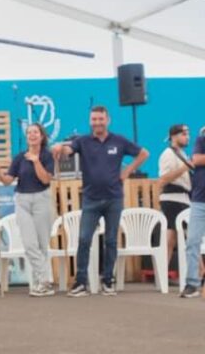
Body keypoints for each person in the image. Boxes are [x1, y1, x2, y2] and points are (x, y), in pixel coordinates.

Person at [52, 106, 149, 296]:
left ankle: (108, 281)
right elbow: (67, 149)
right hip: (90, 199)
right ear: (90, 121)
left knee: (111, 240)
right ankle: (81, 282)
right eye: (94, 119)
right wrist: (58, 147)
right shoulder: (83, 141)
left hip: (114, 198)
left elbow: (144, 153)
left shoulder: (119, 140)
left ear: (108, 120)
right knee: (84, 239)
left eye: (100, 119)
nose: (97, 122)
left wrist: (128, 171)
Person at [0, 123, 56, 296]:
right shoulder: (20, 157)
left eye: (35, 132)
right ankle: (45, 279)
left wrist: (36, 162)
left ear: (42, 136)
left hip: (41, 199)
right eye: (29, 133)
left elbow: (45, 179)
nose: (32, 135)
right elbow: (8, 180)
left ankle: (40, 283)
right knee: (29, 243)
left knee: (42, 243)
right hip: (22, 199)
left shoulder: (47, 156)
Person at [157, 124, 192, 279]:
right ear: (174, 136)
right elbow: (164, 179)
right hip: (173, 199)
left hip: (183, 198)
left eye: (188, 134)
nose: (187, 137)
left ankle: (162, 273)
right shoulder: (168, 154)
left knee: (171, 239)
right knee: (190, 236)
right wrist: (185, 167)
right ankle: (200, 272)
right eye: (184, 134)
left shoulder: (182, 154)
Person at [180, 129, 205, 298]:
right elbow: (196, 159)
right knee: (192, 241)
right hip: (199, 200)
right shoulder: (201, 139)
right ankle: (192, 284)